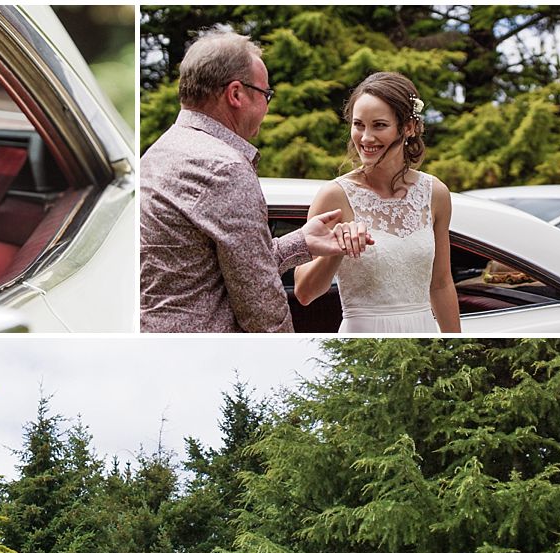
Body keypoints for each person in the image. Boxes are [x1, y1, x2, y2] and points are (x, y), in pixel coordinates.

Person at [140, 29, 372, 333]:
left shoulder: (157, 153)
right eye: (265, 95)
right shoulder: (224, 169)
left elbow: (216, 269)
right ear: (236, 94)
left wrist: (300, 243)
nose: (267, 106)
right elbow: (261, 306)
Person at [293, 72, 461, 333]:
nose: (366, 138)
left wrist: (453, 343)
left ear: (408, 128)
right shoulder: (334, 196)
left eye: (379, 125)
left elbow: (440, 283)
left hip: (423, 330)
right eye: (359, 124)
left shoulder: (435, 193)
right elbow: (304, 293)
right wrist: (337, 249)